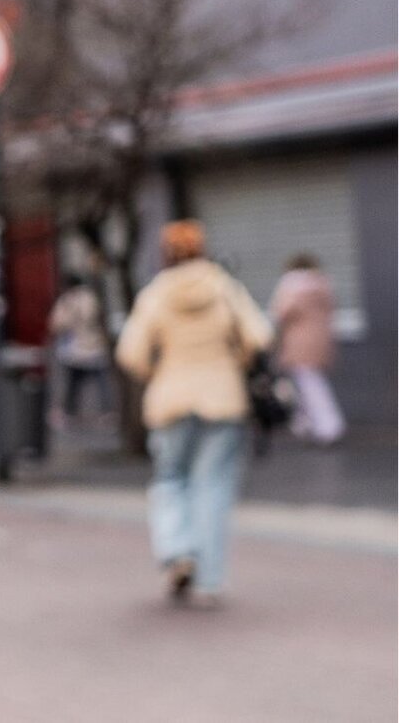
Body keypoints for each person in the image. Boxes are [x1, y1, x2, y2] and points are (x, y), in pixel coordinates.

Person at [116, 220, 273, 609]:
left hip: (171, 398)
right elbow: (260, 335)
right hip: (223, 397)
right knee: (213, 488)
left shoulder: (156, 294)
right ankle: (210, 581)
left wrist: (157, 372)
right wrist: (235, 359)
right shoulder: (225, 288)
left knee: (171, 479)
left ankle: (178, 550)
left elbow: (130, 353)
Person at [270, 253, 344, 445]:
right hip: (320, 341)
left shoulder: (293, 287)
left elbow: (281, 313)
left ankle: (328, 426)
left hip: (299, 343)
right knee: (308, 384)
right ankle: (305, 424)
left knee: (310, 385)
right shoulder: (322, 284)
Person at [48, 276, 111, 422]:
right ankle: (104, 410)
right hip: (91, 347)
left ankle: (70, 411)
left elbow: (58, 323)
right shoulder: (90, 297)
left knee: (75, 383)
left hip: (79, 347)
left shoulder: (70, 300)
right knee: (91, 382)